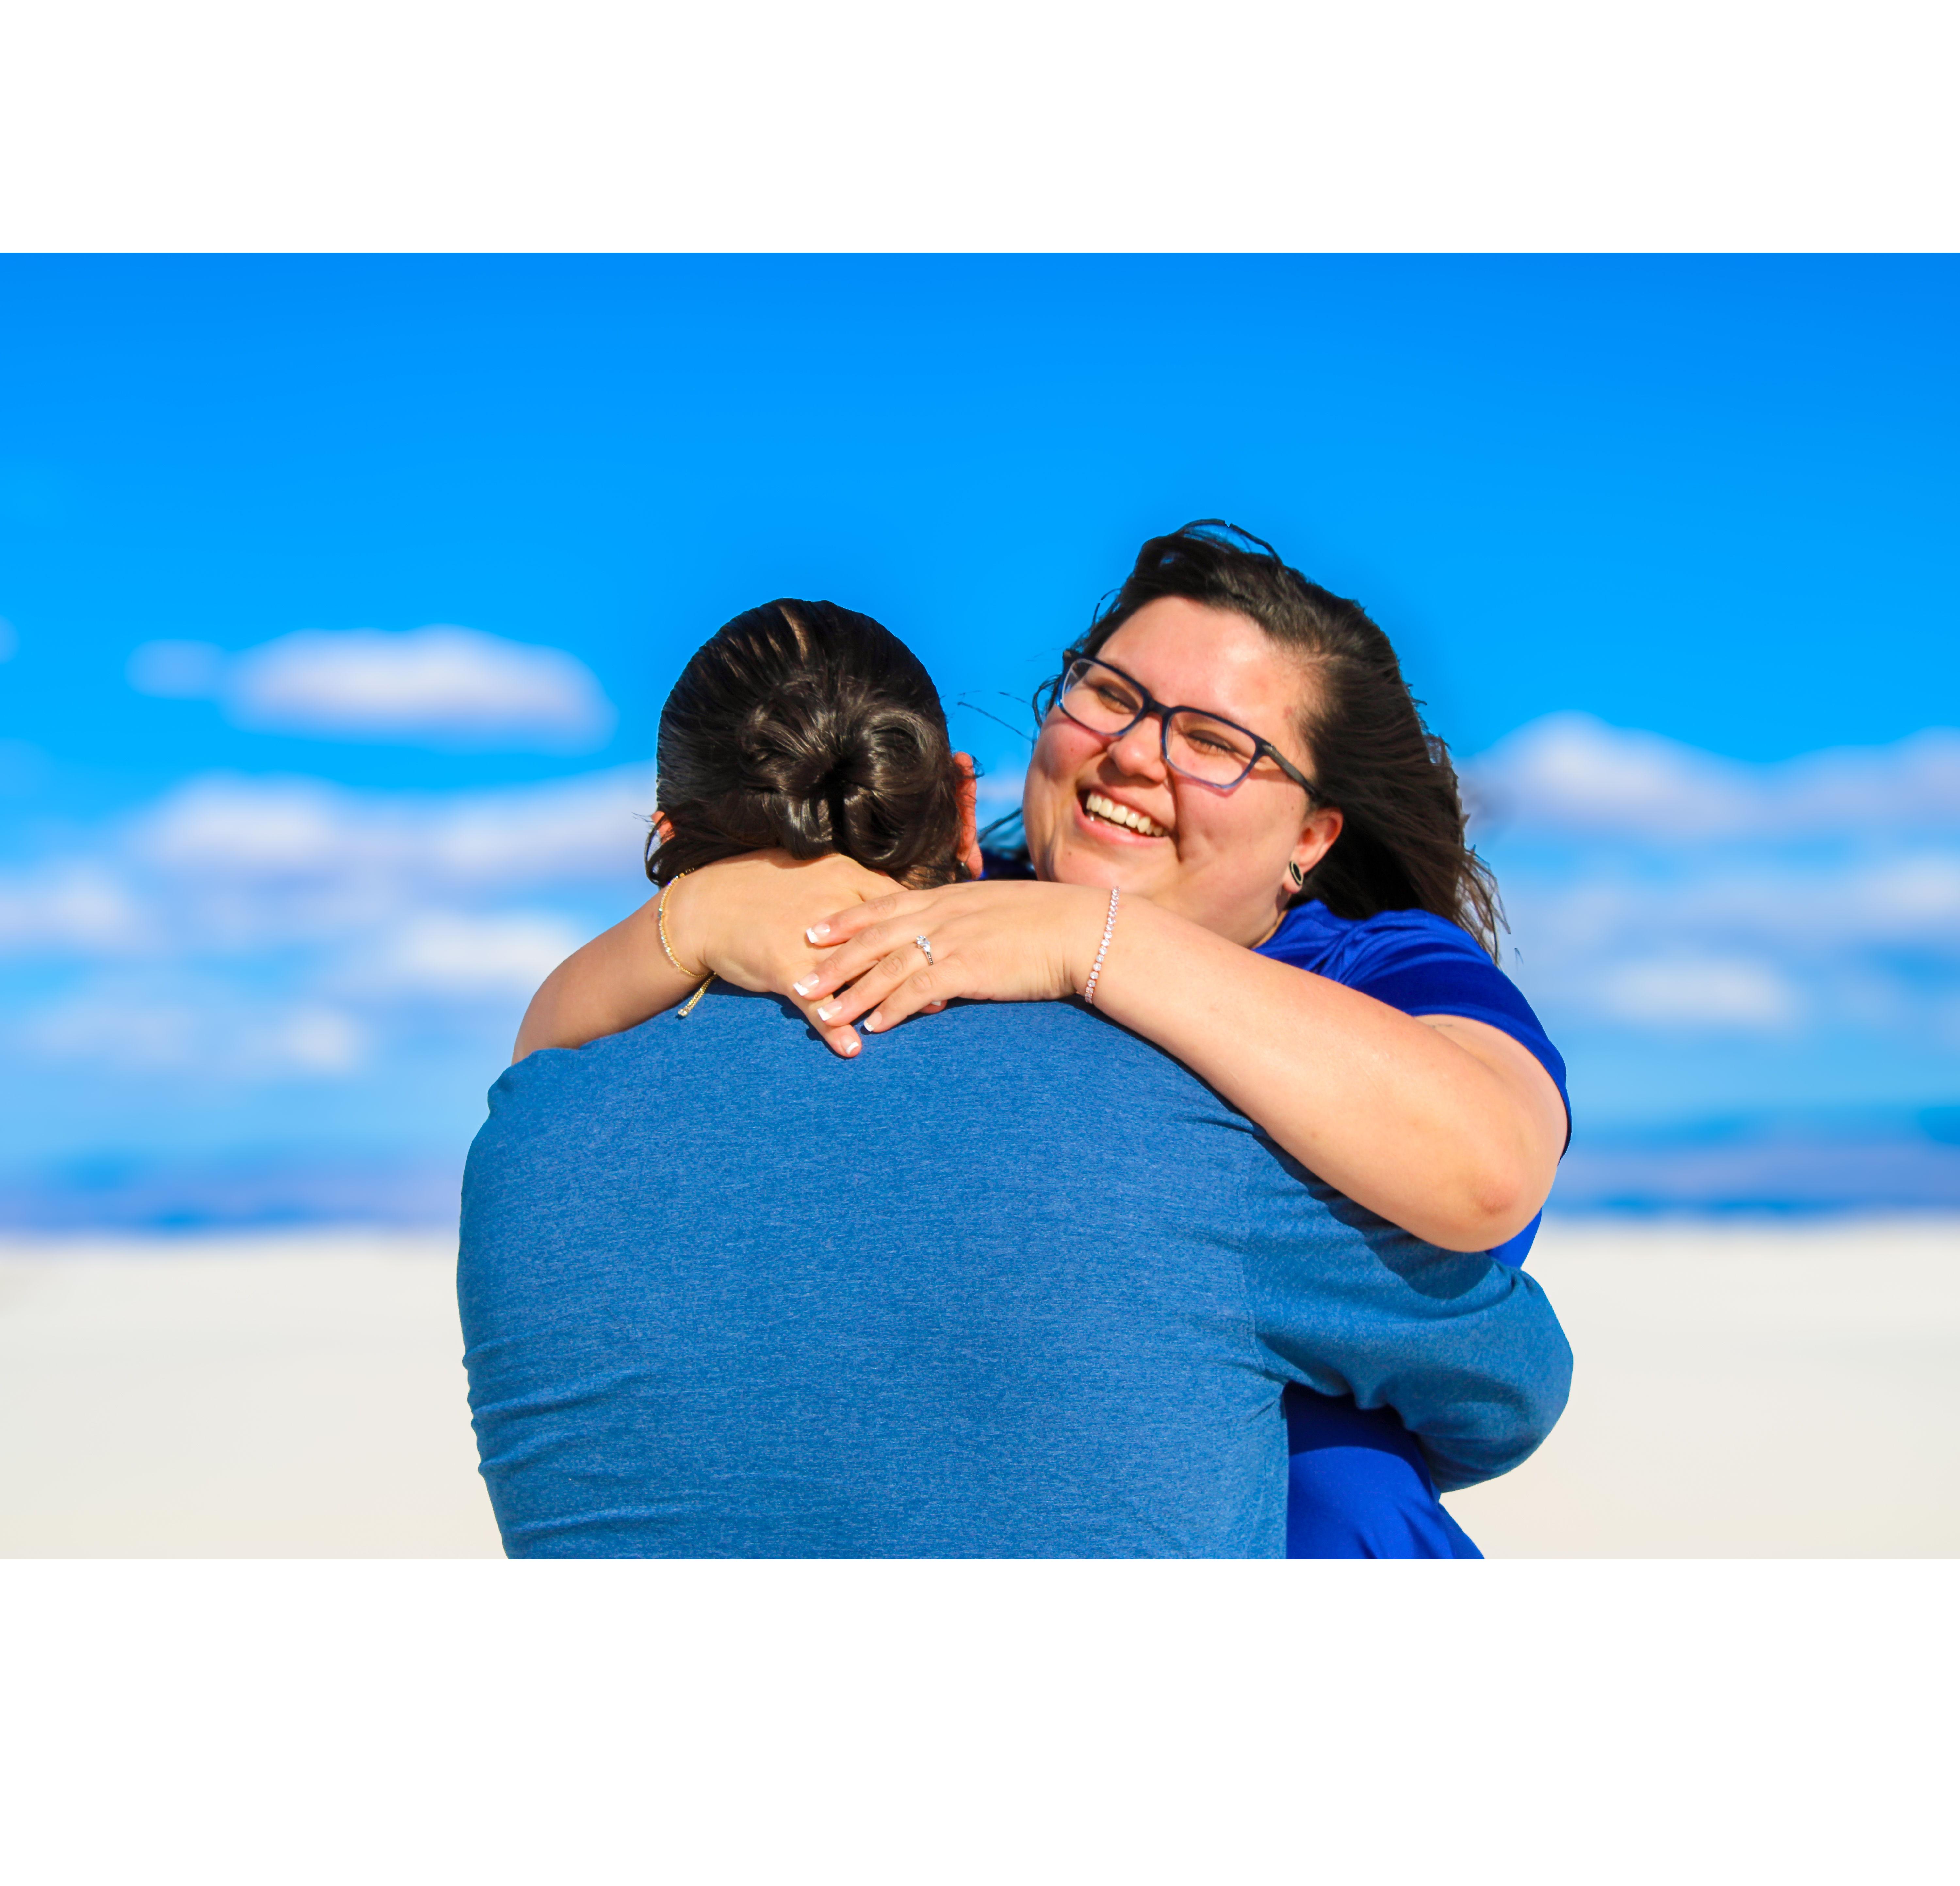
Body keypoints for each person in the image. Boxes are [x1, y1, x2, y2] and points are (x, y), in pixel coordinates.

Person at [517, 524, 1572, 1557]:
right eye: (1110, 695)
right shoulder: (962, 910)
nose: (1134, 753)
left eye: (1215, 743)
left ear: (1311, 837)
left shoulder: (1381, 967)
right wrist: (691, 919)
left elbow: (1491, 1171)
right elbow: (544, 1073)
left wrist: (1093, 942)